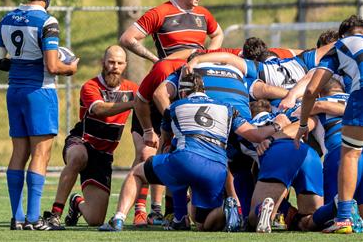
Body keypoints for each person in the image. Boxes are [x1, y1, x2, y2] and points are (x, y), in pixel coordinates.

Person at [100, 73, 288, 232]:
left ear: (182, 92)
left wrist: (160, 163)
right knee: (203, 223)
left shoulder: (174, 108)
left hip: (185, 160)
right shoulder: (227, 108)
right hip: (217, 169)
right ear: (203, 90)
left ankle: (118, 219)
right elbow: (255, 135)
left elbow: (165, 143)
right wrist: (279, 124)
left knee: (139, 172)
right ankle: (226, 208)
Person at [0, 0, 78, 230]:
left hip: (14, 91)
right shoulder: (47, 21)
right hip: (39, 91)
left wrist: (22, 65)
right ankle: (32, 218)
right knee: (41, 153)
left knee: (19, 152)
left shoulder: (6, 19)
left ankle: (17, 217)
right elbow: (52, 66)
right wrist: (70, 68)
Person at [43, 45, 138, 228]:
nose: (114, 66)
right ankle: (54, 214)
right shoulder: (91, 86)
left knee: (95, 220)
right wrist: (134, 104)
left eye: (119, 63)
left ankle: (76, 202)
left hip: (103, 156)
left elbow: (146, 105)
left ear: (125, 65)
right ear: (103, 63)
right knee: (79, 156)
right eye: (110, 62)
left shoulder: (132, 89)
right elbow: (98, 109)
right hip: (82, 141)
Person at [295, 15, 363, 234]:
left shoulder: (338, 47)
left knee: (350, 154)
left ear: (341, 36)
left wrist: (303, 124)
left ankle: (343, 217)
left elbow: (310, 91)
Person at [120, 0, 223, 63]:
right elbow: (127, 38)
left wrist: (207, 58)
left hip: (200, 72)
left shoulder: (203, 13)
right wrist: (157, 61)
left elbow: (218, 34)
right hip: (172, 75)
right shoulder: (159, 13)